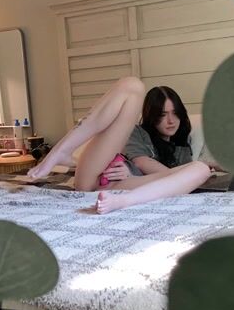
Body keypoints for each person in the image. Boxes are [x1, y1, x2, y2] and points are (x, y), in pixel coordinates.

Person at [27, 76, 211, 213]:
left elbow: (180, 180)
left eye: (175, 113)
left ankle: (124, 201)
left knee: (201, 169)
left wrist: (134, 176)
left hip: (125, 187)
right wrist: (140, 171)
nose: (171, 121)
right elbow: (141, 161)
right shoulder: (137, 132)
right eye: (162, 115)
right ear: (152, 116)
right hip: (97, 179)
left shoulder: (182, 148)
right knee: (132, 85)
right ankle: (61, 150)